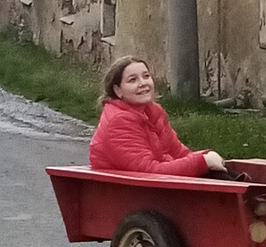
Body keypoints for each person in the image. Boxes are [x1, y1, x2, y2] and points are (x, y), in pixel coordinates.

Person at [89, 57, 227, 176]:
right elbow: (148, 171)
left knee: (223, 173)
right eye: (132, 80)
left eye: (146, 76)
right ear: (118, 90)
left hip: (158, 185)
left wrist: (205, 157)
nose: (143, 83)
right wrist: (203, 161)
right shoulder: (119, 122)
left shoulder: (153, 111)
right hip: (131, 190)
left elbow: (178, 152)